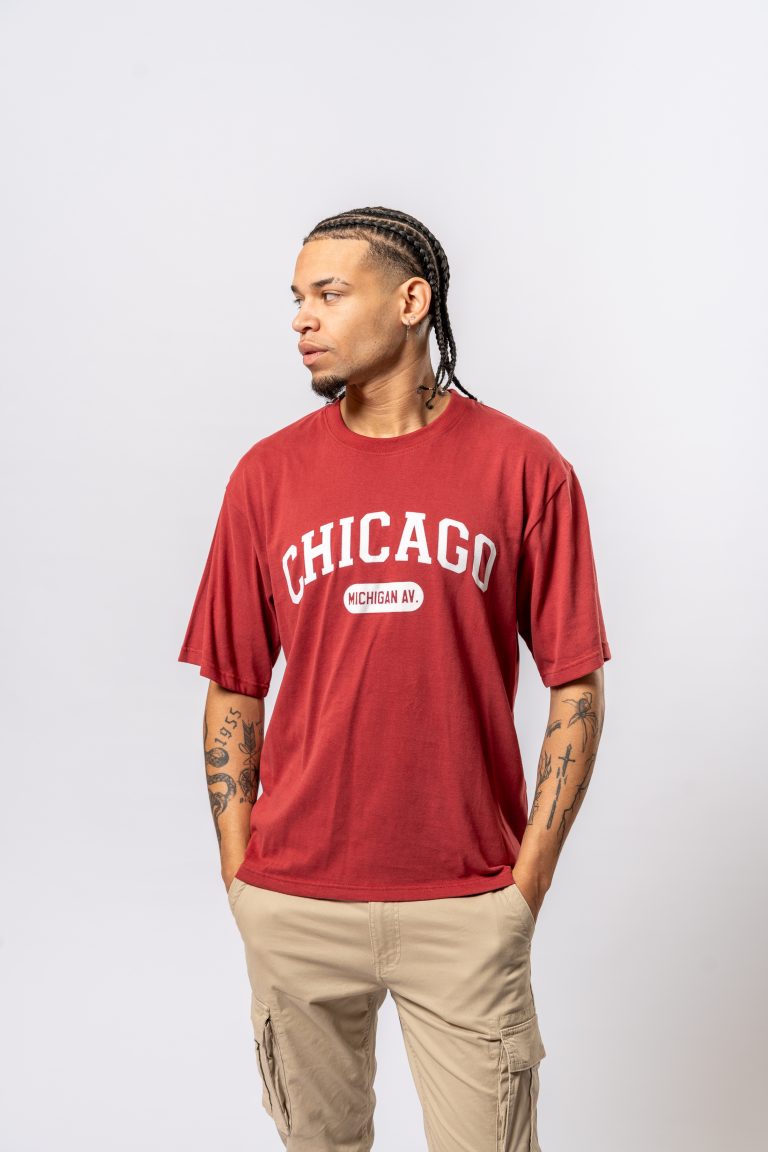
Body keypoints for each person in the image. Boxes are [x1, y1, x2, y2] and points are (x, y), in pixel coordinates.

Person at [178, 206, 611, 1151]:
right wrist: (242, 878)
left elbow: (575, 684)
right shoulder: (266, 477)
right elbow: (234, 686)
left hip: (467, 902)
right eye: (297, 298)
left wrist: (527, 883)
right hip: (295, 900)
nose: (303, 317)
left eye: (330, 294)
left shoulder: (524, 468)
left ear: (412, 301)